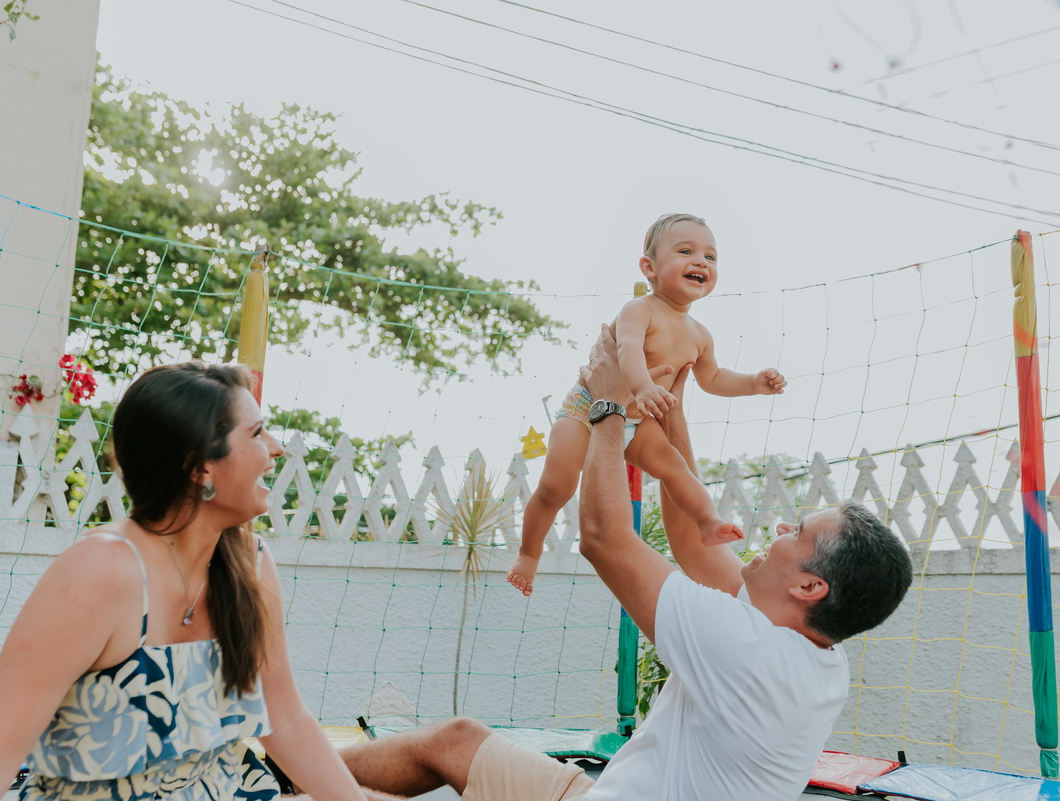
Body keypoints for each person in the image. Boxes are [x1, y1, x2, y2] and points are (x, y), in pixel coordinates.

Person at [339, 325, 914, 800]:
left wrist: (608, 406)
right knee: (455, 739)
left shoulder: (750, 650)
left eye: (799, 531)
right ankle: (292, 771)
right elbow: (692, 543)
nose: (782, 526)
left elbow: (603, 538)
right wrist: (672, 411)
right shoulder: (803, 643)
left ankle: (294, 780)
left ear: (810, 585)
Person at [0, 362, 371, 801]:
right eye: (256, 433)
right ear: (199, 469)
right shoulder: (102, 572)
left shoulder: (250, 562)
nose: (276, 448)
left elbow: (284, 718)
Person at [508, 213, 787, 596]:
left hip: (638, 421)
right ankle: (528, 553)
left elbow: (713, 378)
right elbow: (626, 350)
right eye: (685, 251)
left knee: (674, 466)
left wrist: (753, 384)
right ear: (649, 267)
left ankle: (706, 520)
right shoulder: (639, 309)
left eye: (710, 256)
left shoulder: (700, 335)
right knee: (557, 485)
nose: (700, 262)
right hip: (587, 408)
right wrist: (641, 388)